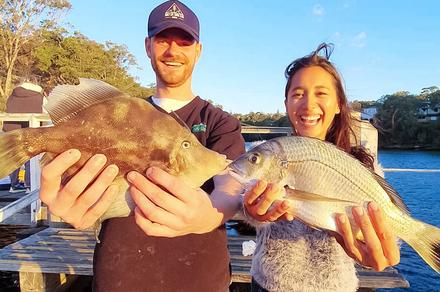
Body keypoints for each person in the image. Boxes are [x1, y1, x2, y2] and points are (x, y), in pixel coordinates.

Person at [39, 1, 245, 291]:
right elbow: (81, 181)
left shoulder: (220, 122)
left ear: (198, 50)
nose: (173, 50)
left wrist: (209, 215)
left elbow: (231, 187)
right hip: (120, 278)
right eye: (163, 39)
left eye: (185, 41)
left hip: (200, 281)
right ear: (148, 46)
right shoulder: (123, 113)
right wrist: (67, 200)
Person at [241, 43, 401, 292]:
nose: (308, 104)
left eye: (321, 93)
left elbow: (389, 234)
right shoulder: (264, 152)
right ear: (286, 104)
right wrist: (251, 213)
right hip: (266, 285)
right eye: (298, 94)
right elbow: (238, 201)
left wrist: (377, 252)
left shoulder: (365, 167)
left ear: (339, 104)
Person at [3, 80, 45, 193]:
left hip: (11, 131)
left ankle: (14, 184)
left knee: (14, 157)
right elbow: (45, 115)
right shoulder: (39, 98)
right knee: (30, 156)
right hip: (31, 131)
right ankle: (30, 184)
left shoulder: (12, 96)